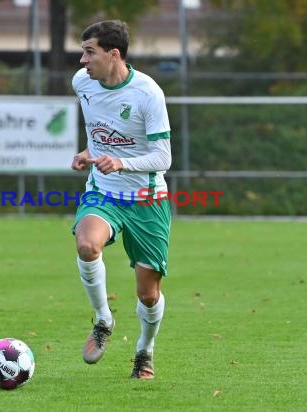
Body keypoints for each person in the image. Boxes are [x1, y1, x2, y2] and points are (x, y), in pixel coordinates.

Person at [70, 20, 172, 379]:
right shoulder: (82, 84)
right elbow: (104, 137)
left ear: (114, 54)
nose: (83, 61)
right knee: (87, 246)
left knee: (148, 295)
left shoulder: (147, 93)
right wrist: (89, 153)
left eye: (89, 52)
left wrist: (122, 162)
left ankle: (144, 350)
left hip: (147, 199)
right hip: (104, 191)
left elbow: (163, 158)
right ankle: (103, 320)